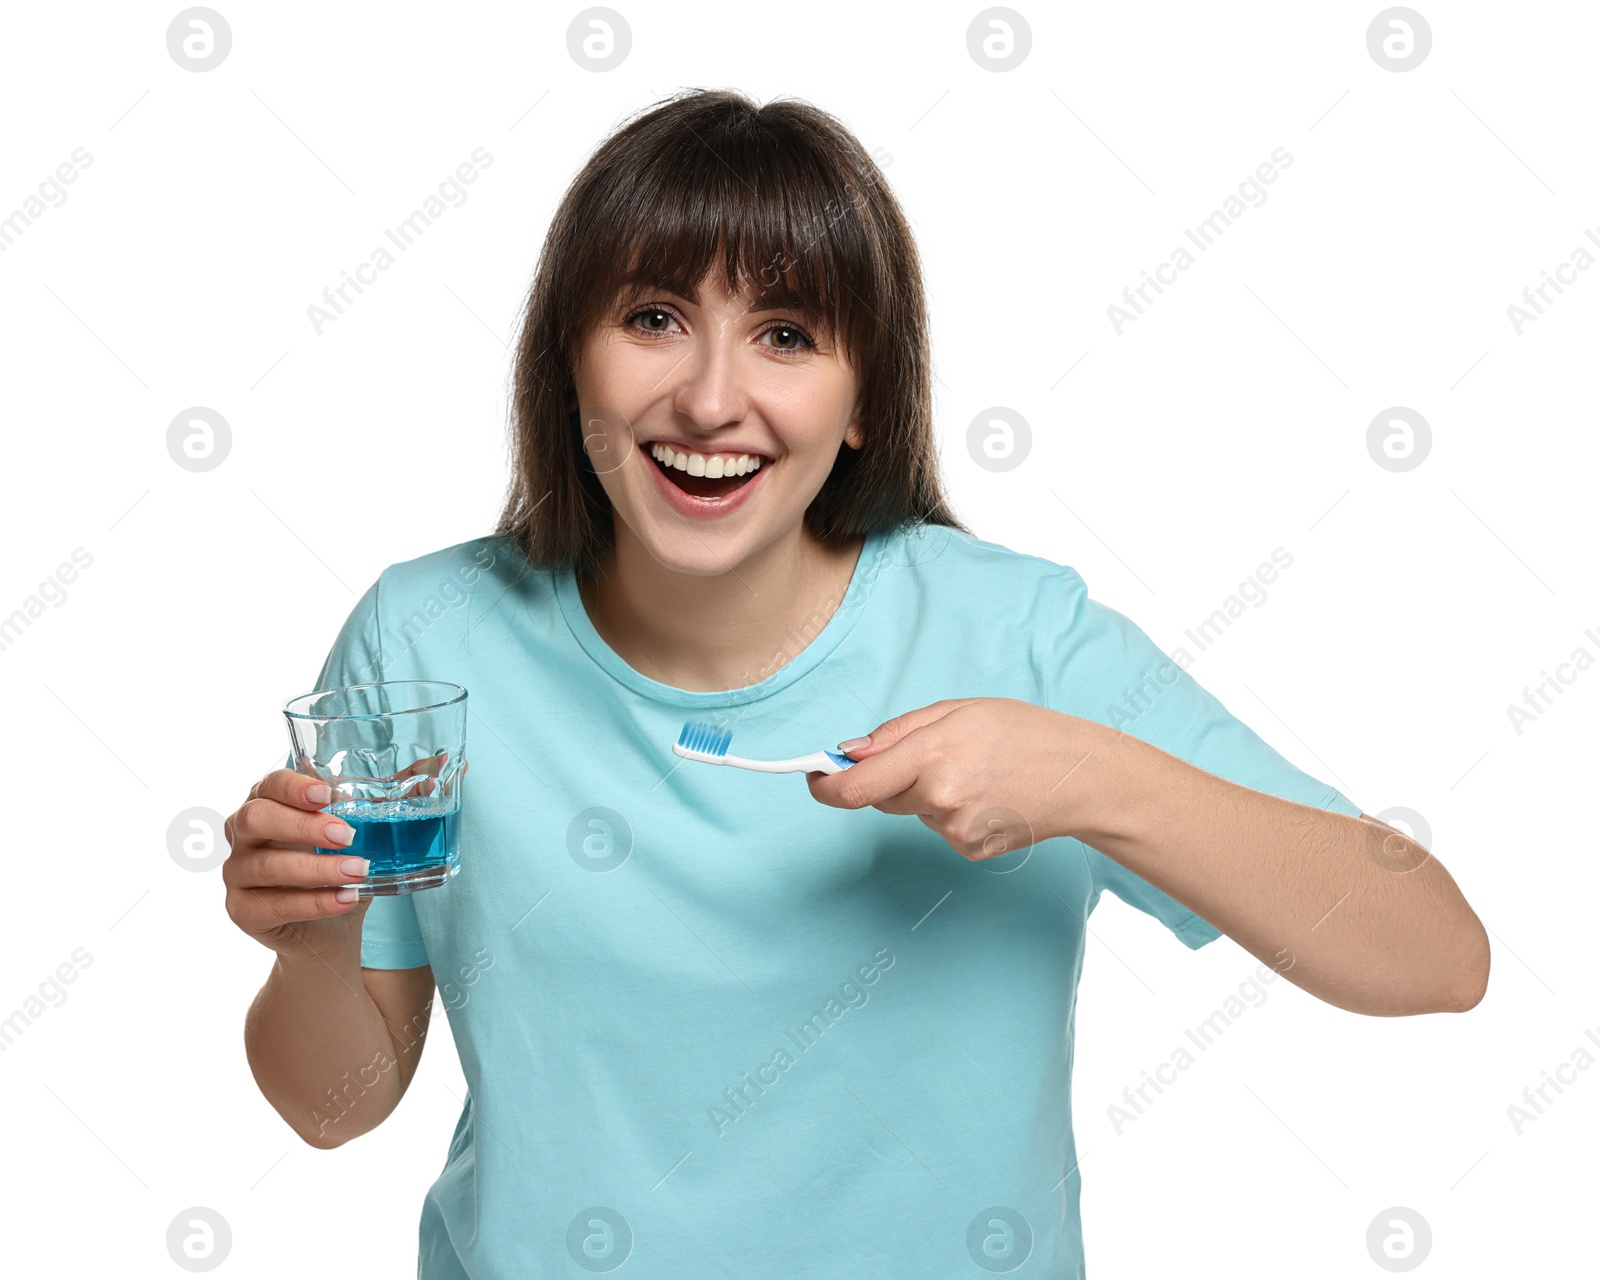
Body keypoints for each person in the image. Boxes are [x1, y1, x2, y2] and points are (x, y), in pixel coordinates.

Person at [225, 88, 1489, 1278]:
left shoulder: (1019, 630)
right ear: (568, 362)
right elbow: (332, 1107)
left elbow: (1435, 953)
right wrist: (317, 939)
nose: (711, 399)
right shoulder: (427, 638)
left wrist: (1091, 777)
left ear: (866, 399)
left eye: (785, 335)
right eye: (653, 317)